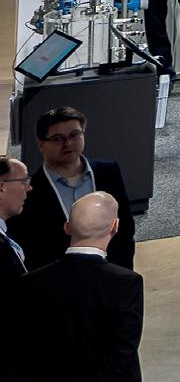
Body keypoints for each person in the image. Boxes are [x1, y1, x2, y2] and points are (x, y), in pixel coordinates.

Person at [2, 192, 144, 382]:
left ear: (67, 227)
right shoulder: (126, 283)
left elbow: (15, 352)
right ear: (115, 226)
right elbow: (120, 356)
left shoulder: (29, 284)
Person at [11, 105, 139, 269]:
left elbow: (126, 227)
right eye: (58, 138)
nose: (68, 143)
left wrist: (123, 273)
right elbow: (30, 247)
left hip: (111, 271)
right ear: (41, 144)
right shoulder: (29, 190)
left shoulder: (108, 172)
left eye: (74, 135)